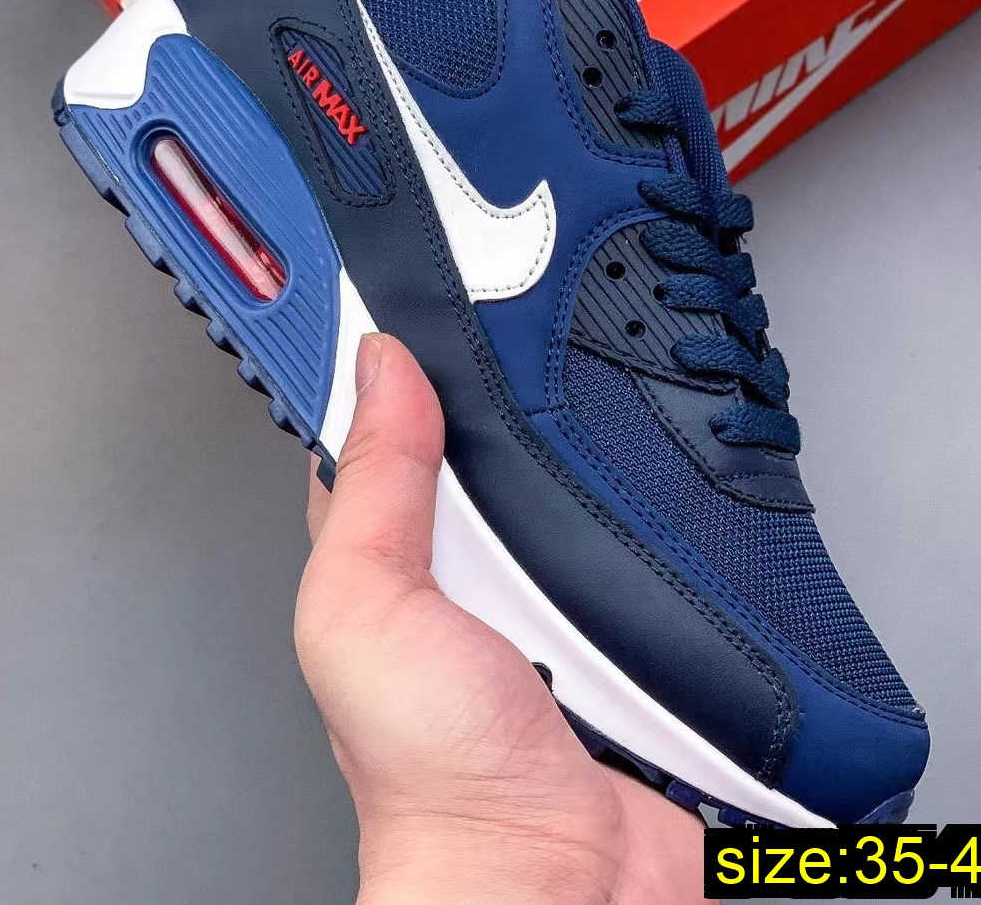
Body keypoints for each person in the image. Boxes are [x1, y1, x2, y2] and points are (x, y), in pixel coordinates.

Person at [296, 334, 711, 904]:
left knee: (830, 849)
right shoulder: (714, 866)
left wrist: (494, 852)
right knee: (831, 852)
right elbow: (723, 865)